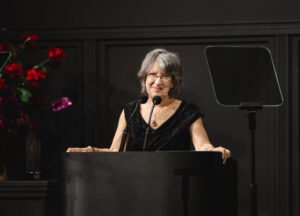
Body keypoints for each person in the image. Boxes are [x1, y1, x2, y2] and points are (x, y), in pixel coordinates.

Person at [67, 48, 231, 164]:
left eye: (165, 76)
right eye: (153, 74)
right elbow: (116, 152)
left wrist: (212, 150)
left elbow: (202, 145)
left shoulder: (188, 111)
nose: (158, 81)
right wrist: (90, 151)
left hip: (174, 185)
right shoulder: (130, 111)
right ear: (144, 78)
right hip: (134, 186)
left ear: (174, 82)